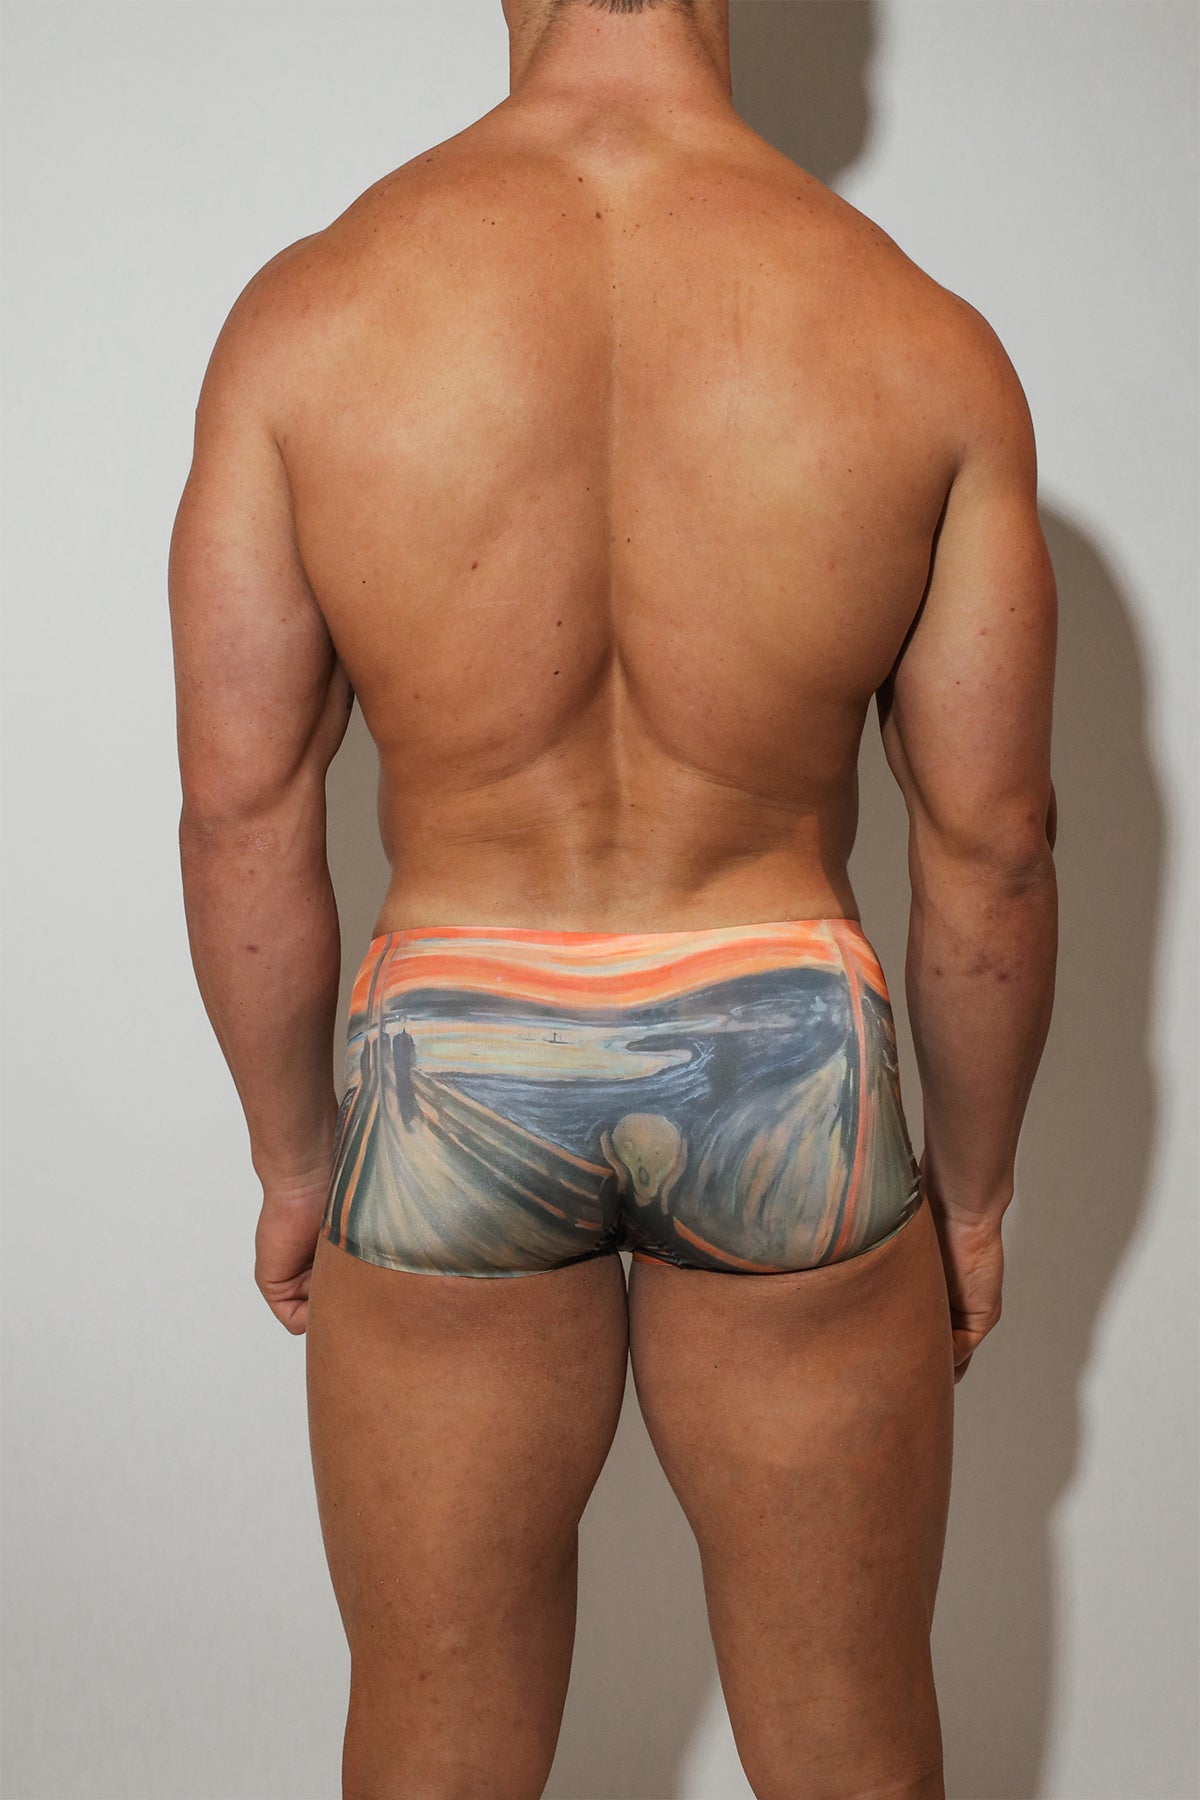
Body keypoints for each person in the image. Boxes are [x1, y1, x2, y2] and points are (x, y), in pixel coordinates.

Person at [167, 0, 1058, 1792]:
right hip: (789, 1056)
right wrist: (970, 1196)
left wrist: (292, 1161)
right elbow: (995, 844)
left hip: (451, 1065)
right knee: (856, 1755)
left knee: (434, 1755)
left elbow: (240, 809)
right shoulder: (921, 341)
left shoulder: (309, 321)